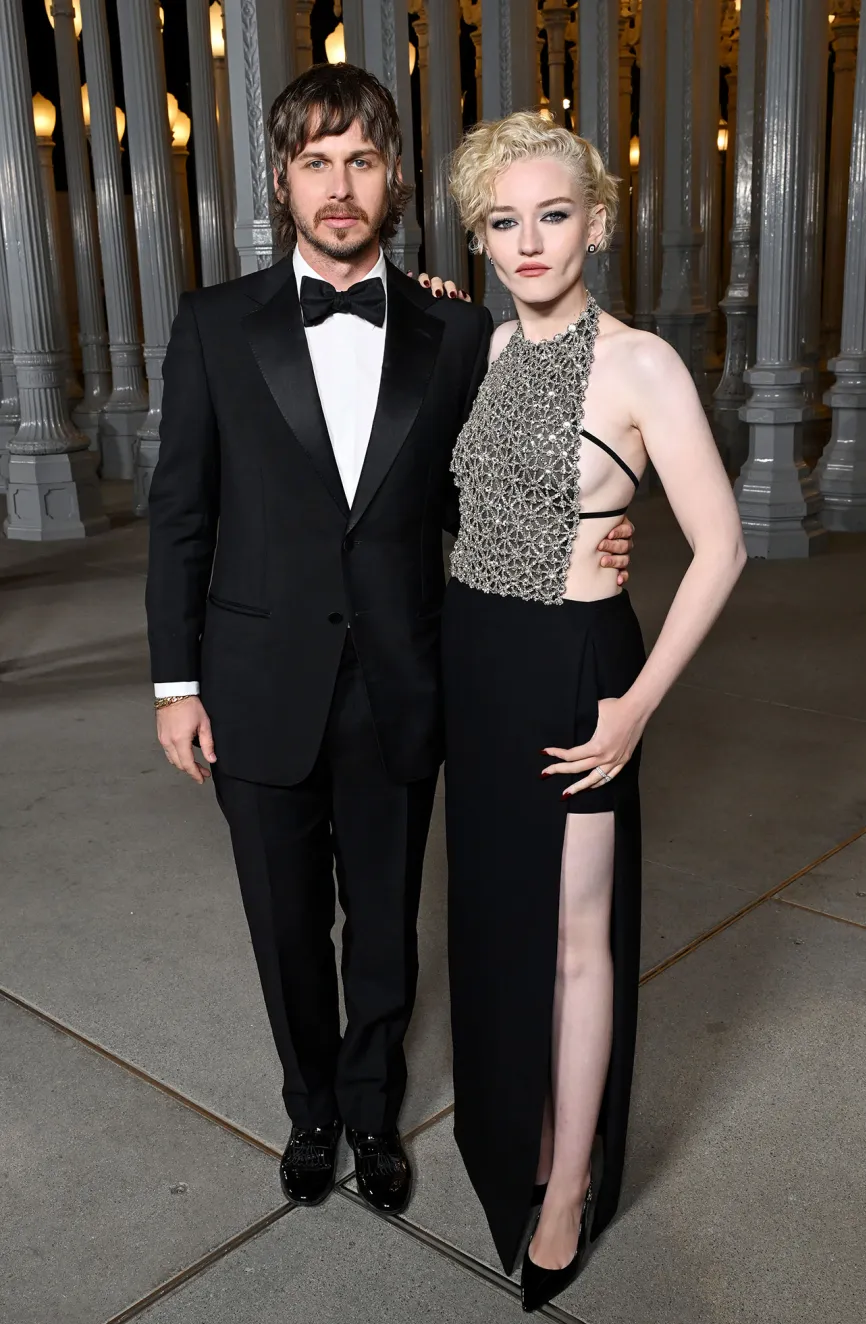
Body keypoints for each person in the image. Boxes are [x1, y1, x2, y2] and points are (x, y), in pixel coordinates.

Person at [145, 65, 633, 1218]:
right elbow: (181, 513)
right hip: (255, 681)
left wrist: (597, 541)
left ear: (395, 175)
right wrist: (175, 683)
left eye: (361, 158)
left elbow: (509, 479)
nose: (339, 184)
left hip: (407, 678)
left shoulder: (458, 330)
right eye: (315, 161)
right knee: (282, 919)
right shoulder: (215, 322)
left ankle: (370, 1110)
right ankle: (309, 1106)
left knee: (384, 920)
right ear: (282, 179)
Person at [441, 112, 746, 1311]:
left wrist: (632, 711)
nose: (529, 243)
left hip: (579, 665)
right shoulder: (477, 347)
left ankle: (567, 1183)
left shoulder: (639, 364)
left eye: (552, 215)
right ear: (479, 239)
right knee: (496, 915)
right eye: (503, 222)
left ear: (598, 223)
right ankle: (518, 1128)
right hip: (477, 653)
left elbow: (719, 549)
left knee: (576, 936)